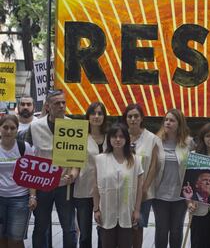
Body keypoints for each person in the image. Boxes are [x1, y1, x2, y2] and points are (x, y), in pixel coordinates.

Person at [26, 89, 79, 248]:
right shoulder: (35, 127)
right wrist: (32, 194)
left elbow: (77, 158)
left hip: (65, 186)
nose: (62, 106)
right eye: (57, 103)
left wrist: (74, 174)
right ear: (48, 106)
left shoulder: (74, 126)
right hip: (42, 185)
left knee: (69, 228)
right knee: (41, 227)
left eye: (63, 102)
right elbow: (30, 160)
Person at [92, 123, 144, 248]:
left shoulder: (135, 160)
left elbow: (139, 189)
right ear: (109, 139)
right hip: (106, 212)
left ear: (127, 139)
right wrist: (96, 209)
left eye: (121, 136)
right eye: (114, 136)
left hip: (127, 212)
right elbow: (95, 187)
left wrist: (137, 210)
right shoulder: (100, 159)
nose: (118, 139)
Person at [121, 104, 162, 248]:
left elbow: (153, 166)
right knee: (123, 226)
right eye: (130, 116)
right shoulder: (120, 136)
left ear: (142, 118)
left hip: (144, 191)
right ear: (125, 119)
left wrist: (144, 188)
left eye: (136, 116)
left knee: (138, 227)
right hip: (122, 189)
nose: (133, 119)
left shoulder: (152, 139)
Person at [153, 109, 193, 248]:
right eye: (166, 120)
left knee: (176, 231)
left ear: (179, 124)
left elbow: (192, 169)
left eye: (172, 120)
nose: (168, 122)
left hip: (180, 197)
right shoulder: (156, 141)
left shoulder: (188, 143)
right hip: (159, 195)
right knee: (161, 231)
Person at [73, 102, 107, 248]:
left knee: (104, 231)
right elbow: (75, 161)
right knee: (85, 235)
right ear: (88, 116)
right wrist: (72, 175)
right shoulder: (80, 136)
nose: (96, 116)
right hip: (84, 190)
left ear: (104, 117)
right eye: (93, 113)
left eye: (100, 113)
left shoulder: (111, 137)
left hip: (106, 191)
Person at [0, 115, 36, 248]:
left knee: (16, 239)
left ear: (17, 130)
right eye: (5, 127)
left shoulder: (24, 147)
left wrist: (32, 196)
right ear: (0, 128)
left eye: (12, 128)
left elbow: (31, 174)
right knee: (1, 239)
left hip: (20, 199)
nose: (8, 131)